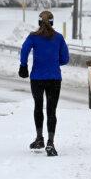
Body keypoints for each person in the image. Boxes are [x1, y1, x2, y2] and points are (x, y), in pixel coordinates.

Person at [19, 11, 69, 157]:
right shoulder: (59, 38)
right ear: (52, 22)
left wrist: (23, 65)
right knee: (52, 110)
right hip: (54, 78)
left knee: (38, 107)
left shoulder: (33, 37)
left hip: (37, 79)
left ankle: (39, 138)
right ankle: (50, 143)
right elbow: (65, 59)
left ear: (39, 22)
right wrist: (53, 61)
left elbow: (24, 50)